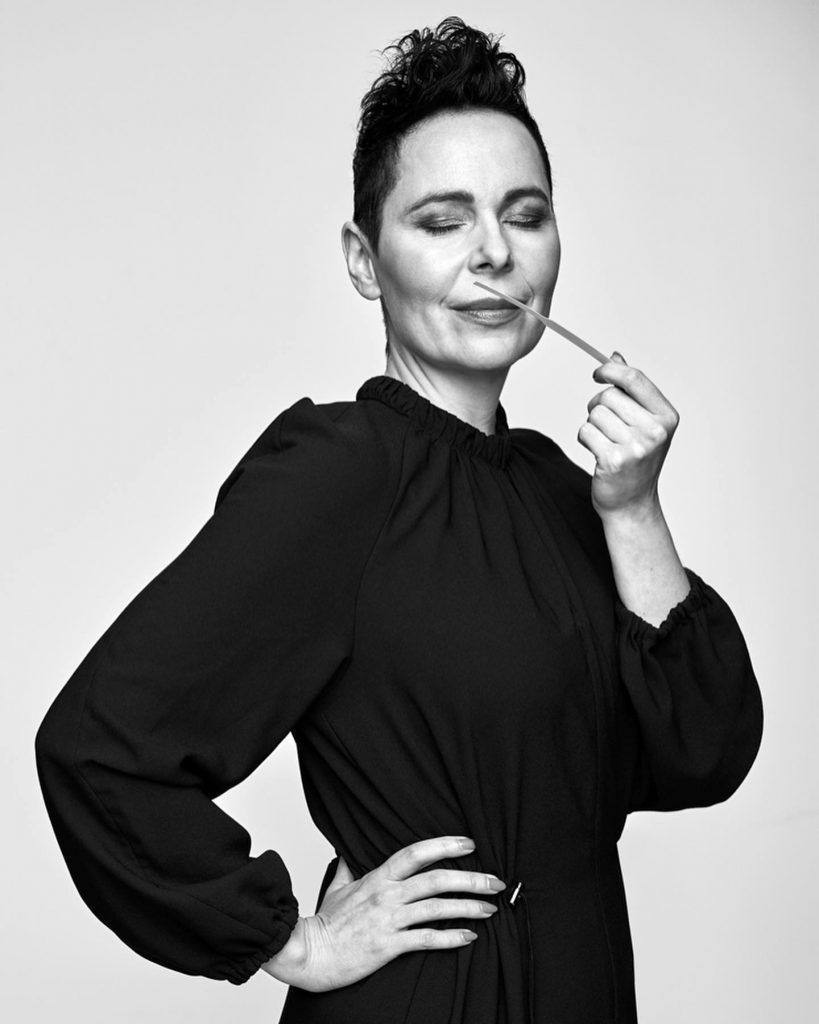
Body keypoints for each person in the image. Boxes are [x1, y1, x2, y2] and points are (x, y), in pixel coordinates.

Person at [34, 17, 763, 1024]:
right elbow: (99, 748)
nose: (495, 253)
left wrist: (634, 507)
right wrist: (292, 939)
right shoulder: (340, 473)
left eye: (525, 215)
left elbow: (704, 753)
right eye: (441, 221)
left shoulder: (564, 490)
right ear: (364, 259)